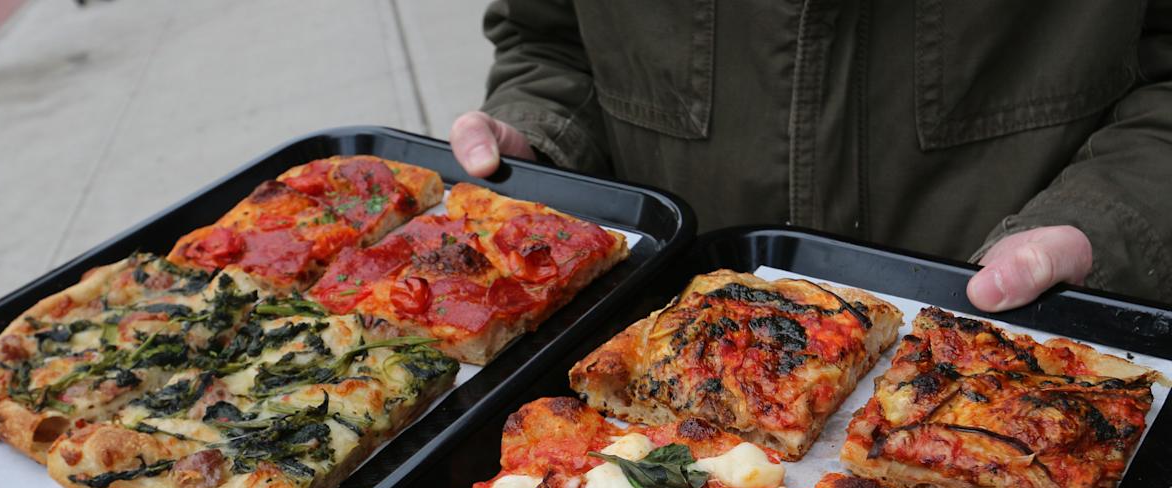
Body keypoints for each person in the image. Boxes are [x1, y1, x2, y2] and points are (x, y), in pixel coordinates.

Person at [448, 1, 1172, 311]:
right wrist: (540, 140)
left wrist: (1105, 224)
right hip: (662, 346)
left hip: (1011, 362)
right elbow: (551, 42)